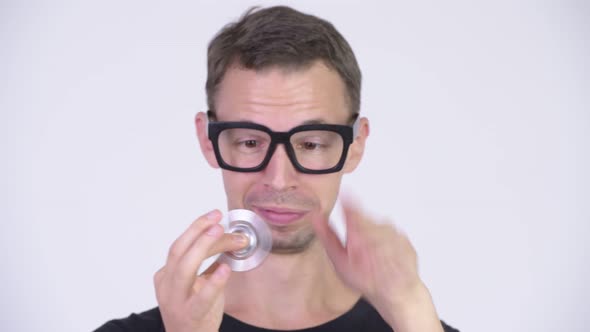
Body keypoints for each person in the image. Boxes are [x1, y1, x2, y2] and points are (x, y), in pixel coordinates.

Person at [96, 6, 458, 332]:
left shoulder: (415, 322)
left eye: (312, 144)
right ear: (208, 140)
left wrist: (412, 312)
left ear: (355, 145)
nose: (279, 178)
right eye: (251, 143)